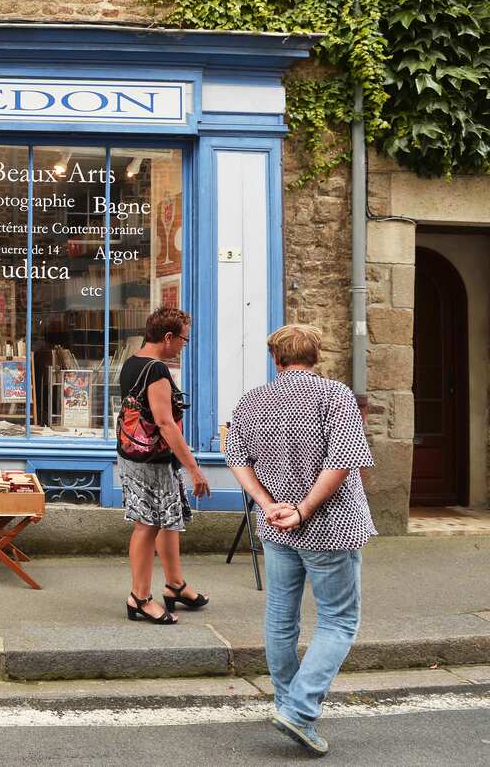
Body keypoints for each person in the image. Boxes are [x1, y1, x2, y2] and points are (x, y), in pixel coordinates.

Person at [227, 324, 375, 757]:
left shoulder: (253, 400)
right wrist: (303, 508)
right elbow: (342, 461)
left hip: (276, 526)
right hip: (330, 527)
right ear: (317, 356)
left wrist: (267, 504)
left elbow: (237, 458)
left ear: (276, 359)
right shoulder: (335, 395)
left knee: (280, 617)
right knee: (338, 620)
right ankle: (299, 708)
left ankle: (287, 705)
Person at [118, 307, 211, 625]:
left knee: (167, 520)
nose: (185, 344)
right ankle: (139, 598)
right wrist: (194, 468)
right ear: (168, 337)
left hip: (137, 454)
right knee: (148, 525)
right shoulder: (156, 371)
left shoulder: (132, 362)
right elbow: (165, 423)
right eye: (184, 339)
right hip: (151, 462)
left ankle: (175, 585)